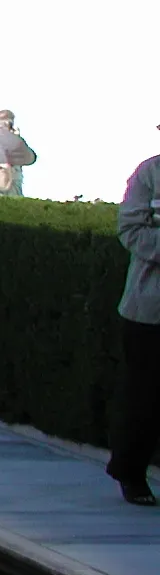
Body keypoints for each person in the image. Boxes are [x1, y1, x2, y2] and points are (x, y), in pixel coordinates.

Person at [105, 130, 160, 505]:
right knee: (146, 396)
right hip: (150, 310)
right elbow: (130, 229)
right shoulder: (149, 175)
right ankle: (130, 471)